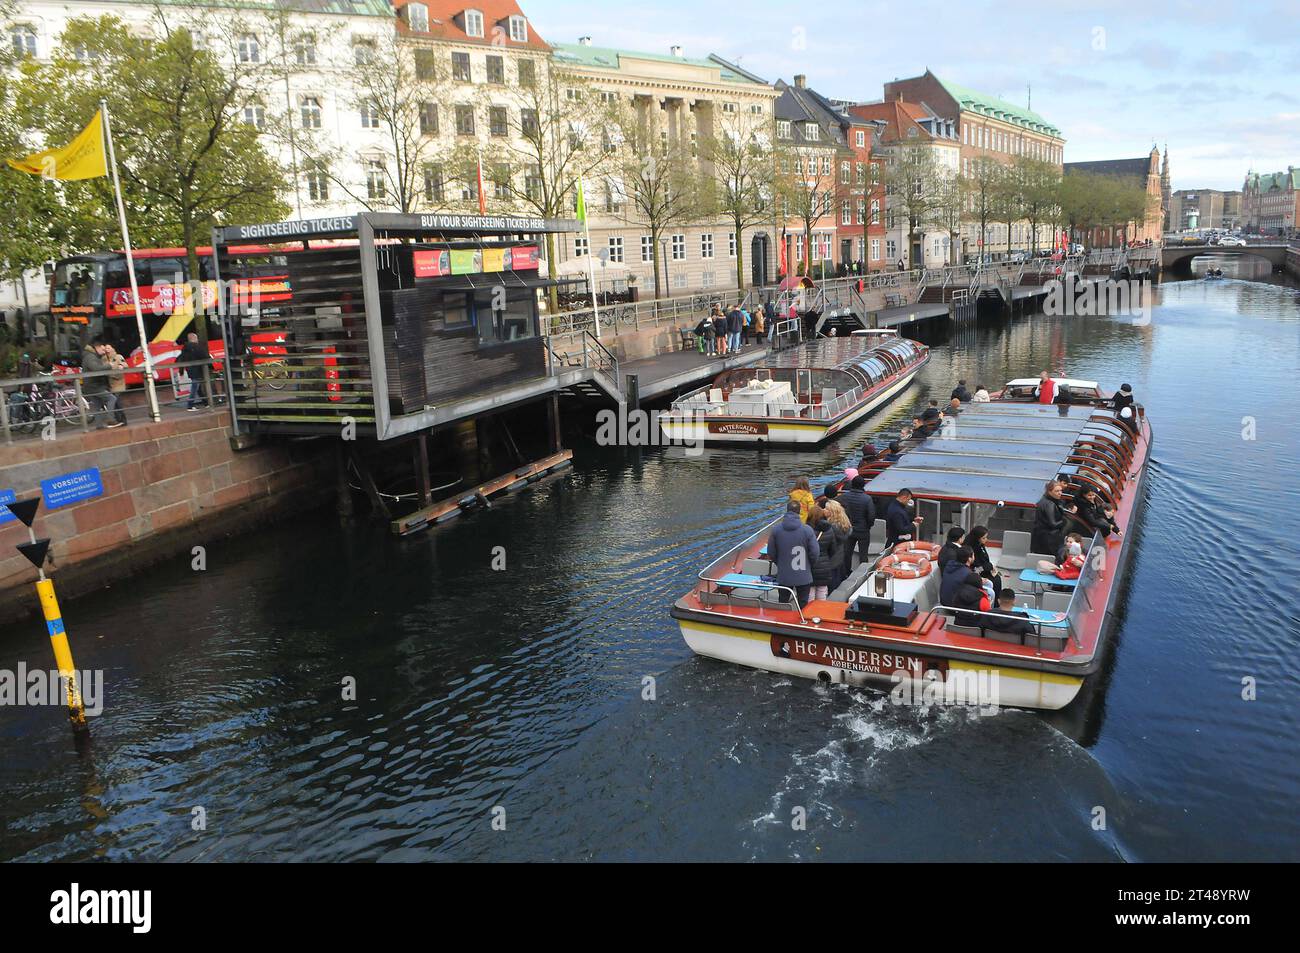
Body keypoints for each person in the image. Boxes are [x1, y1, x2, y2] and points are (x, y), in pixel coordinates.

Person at [768, 500, 819, 608]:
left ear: (787, 510)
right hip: (804, 574)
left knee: (783, 602)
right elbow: (815, 553)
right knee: (804, 604)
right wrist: (809, 565)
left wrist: (780, 563)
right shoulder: (807, 530)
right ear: (799, 511)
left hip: (784, 574)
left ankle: (781, 621)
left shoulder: (776, 530)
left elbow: (771, 553)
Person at [81, 338, 125, 429]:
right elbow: (96, 368)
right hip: (94, 385)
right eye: (102, 349)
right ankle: (111, 419)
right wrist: (110, 365)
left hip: (91, 385)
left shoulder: (92, 356)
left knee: (97, 405)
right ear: (97, 347)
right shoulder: (91, 357)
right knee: (111, 399)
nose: (104, 351)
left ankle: (99, 425)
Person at [940, 546, 987, 625]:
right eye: (973, 555)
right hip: (955, 606)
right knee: (989, 591)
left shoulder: (949, 565)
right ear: (969, 559)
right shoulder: (967, 573)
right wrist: (980, 581)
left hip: (944, 602)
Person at [839, 475, 876, 574]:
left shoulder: (844, 497)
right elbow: (871, 516)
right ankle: (863, 574)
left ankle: (846, 573)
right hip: (863, 530)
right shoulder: (867, 499)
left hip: (848, 529)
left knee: (847, 553)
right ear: (863, 485)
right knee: (863, 554)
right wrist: (868, 526)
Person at [1032, 479, 1073, 556]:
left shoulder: (1043, 500)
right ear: (1049, 491)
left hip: (1040, 537)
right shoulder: (1050, 504)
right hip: (1049, 540)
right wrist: (1064, 521)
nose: (1060, 493)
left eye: (1060, 490)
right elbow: (1053, 524)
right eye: (1056, 491)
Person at [810, 515, 846, 601]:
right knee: (822, 591)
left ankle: (808, 612)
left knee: (810, 592)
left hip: (811, 566)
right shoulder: (829, 530)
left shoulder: (807, 531)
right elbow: (833, 549)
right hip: (825, 566)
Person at [823, 500, 853, 590]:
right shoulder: (845, 525)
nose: (823, 510)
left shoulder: (830, 527)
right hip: (840, 557)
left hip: (831, 559)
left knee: (832, 584)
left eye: (826, 508)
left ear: (831, 512)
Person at [967, 525, 1003, 595]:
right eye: (983, 538)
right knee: (995, 581)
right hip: (976, 574)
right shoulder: (970, 549)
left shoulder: (980, 545)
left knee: (997, 579)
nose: (986, 539)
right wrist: (985, 567)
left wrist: (991, 567)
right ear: (977, 538)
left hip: (985, 571)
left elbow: (985, 559)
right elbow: (973, 569)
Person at [178, 331, 209, 411]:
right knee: (195, 388)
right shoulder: (197, 347)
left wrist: (181, 371)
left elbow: (181, 359)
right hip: (197, 369)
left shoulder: (185, 348)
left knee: (197, 388)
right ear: (194, 338)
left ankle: (206, 403)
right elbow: (204, 356)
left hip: (190, 370)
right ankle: (190, 405)